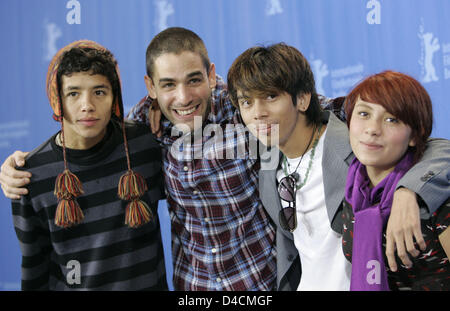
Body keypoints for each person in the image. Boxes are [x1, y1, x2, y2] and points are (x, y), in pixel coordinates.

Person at [0, 27, 440, 290]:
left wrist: (408, 188)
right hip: (193, 287)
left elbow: (382, 129)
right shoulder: (138, 130)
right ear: (150, 88)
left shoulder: (250, 106)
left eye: (194, 80)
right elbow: (81, 132)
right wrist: (22, 168)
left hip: (260, 281)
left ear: (211, 76)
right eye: (168, 85)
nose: (184, 96)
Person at [226, 43, 450, 290]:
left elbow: (429, 146)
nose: (258, 113)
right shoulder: (267, 165)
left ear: (302, 98)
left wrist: (409, 191)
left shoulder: (356, 143)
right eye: (246, 102)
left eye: (271, 96)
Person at [10, 40, 167, 290]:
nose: (87, 105)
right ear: (57, 99)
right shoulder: (30, 176)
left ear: (114, 96)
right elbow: (34, 268)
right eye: (73, 93)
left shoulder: (145, 144)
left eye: (99, 92)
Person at [341, 70, 450, 291]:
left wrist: (408, 191)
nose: (372, 129)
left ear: (415, 136)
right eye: (363, 114)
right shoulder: (354, 191)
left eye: (392, 119)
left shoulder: (436, 199)